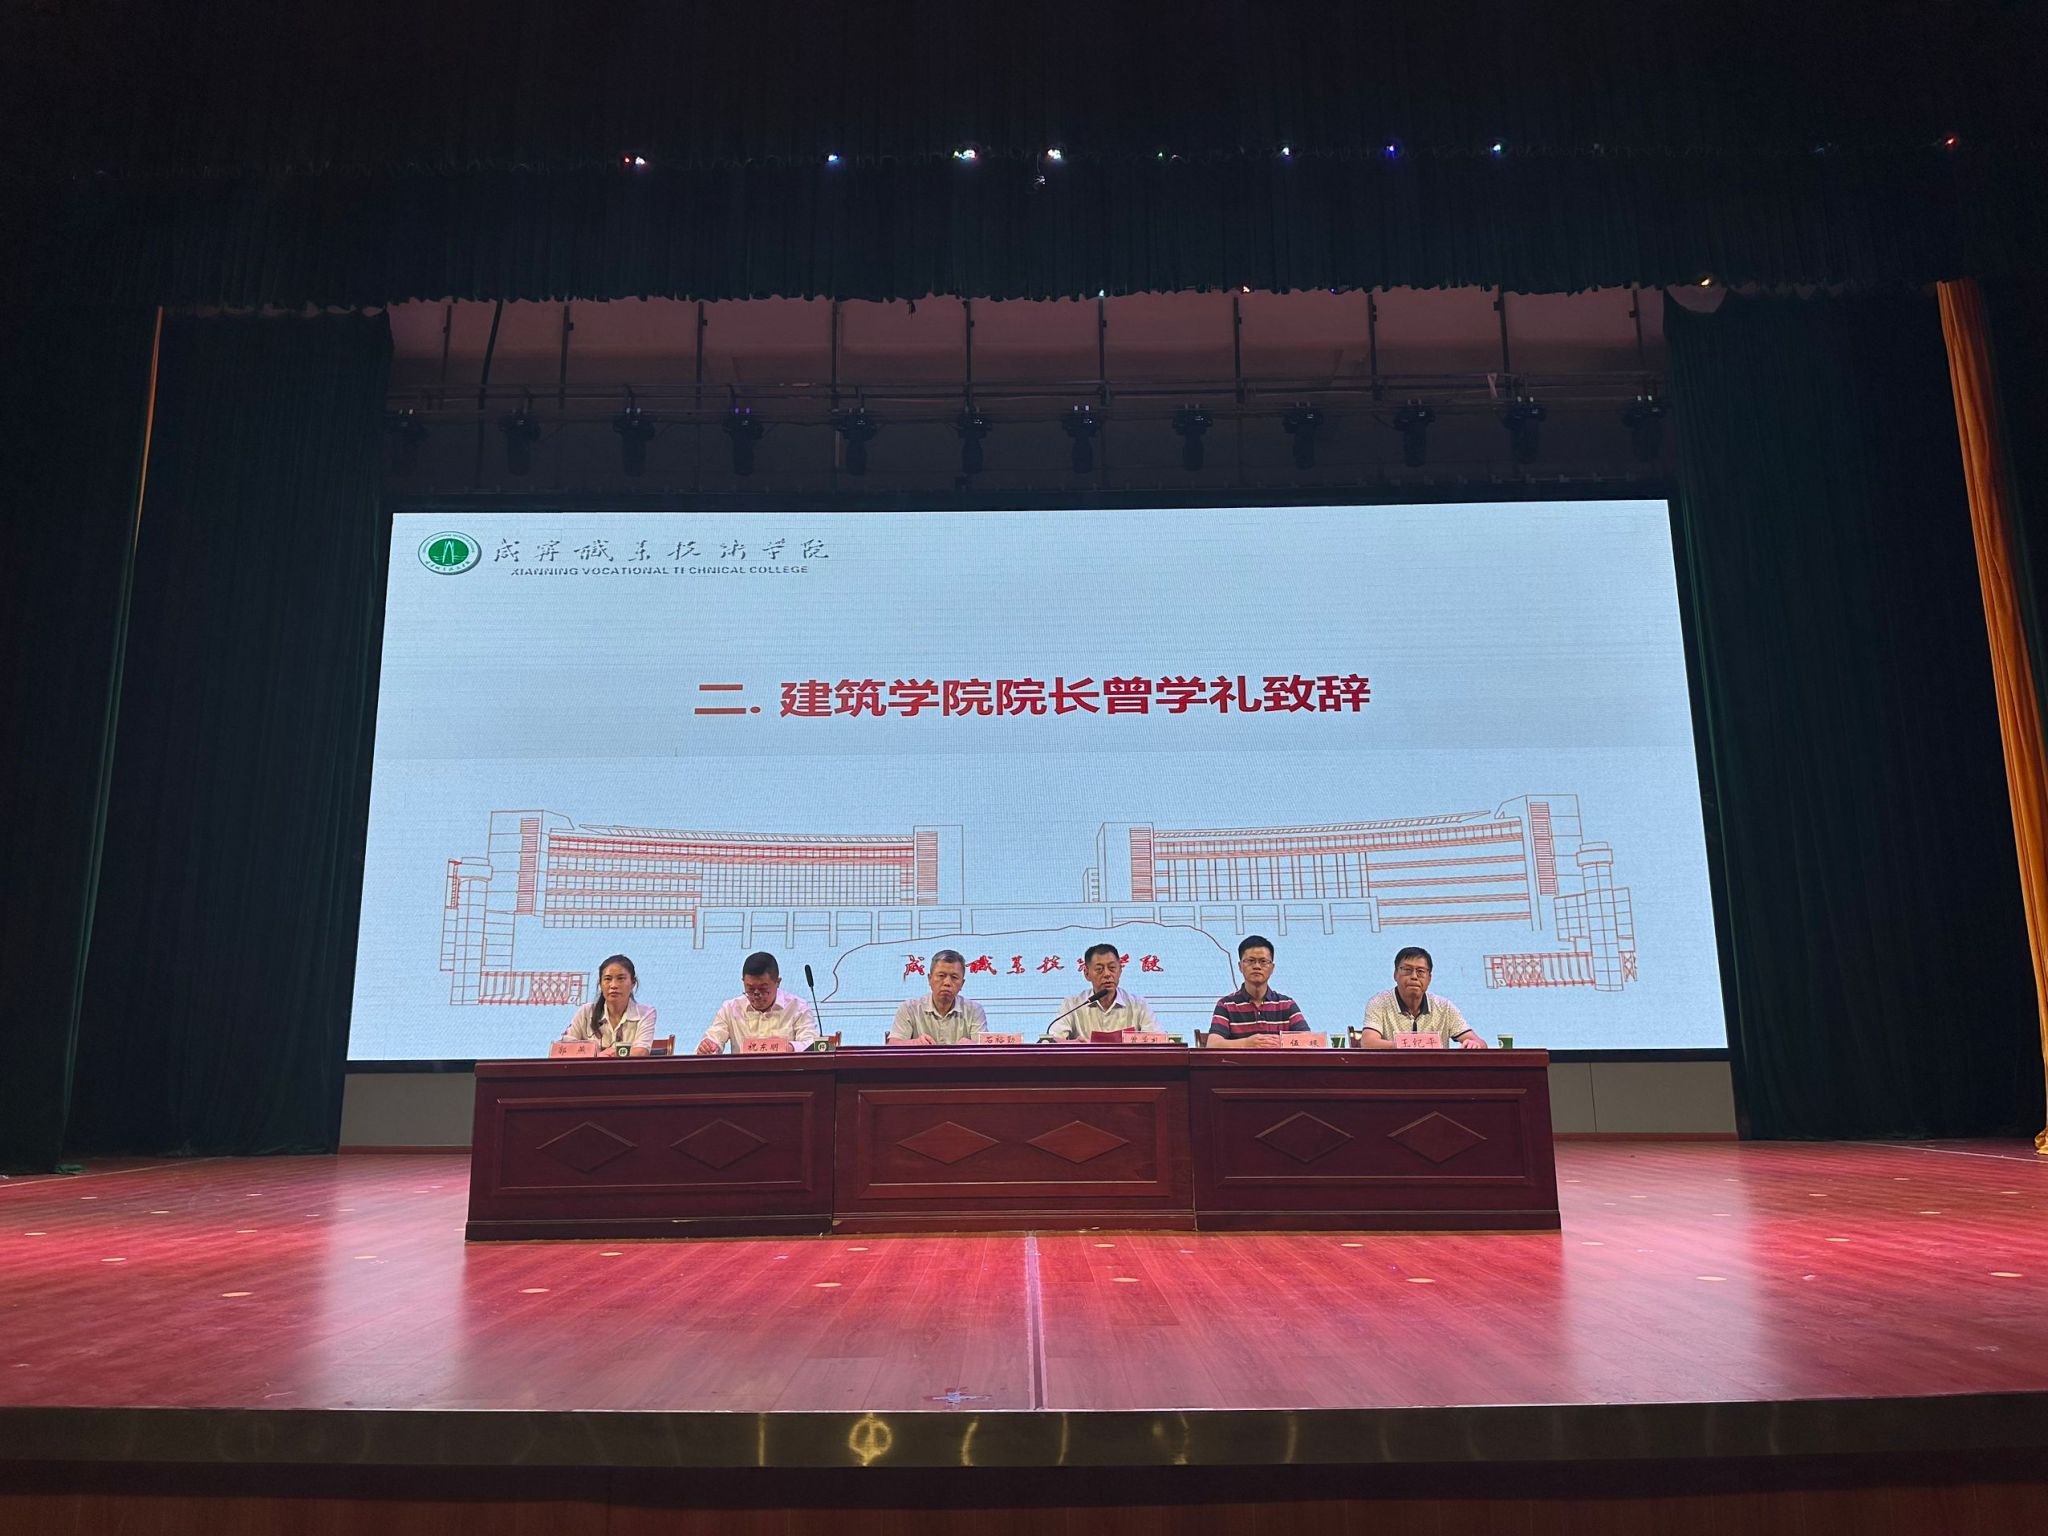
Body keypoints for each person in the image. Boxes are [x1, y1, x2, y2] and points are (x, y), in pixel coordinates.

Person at [1358, 947, 1486, 1049]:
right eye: (1407, 970)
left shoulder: (1444, 1007)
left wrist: (1474, 1044)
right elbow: (1368, 1043)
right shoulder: (1379, 1003)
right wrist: (1409, 1046)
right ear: (1395, 974)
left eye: (1420, 971)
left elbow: (1480, 1043)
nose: (1414, 976)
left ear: (1429, 978)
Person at [696, 951, 821, 1054]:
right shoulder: (730, 1008)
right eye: (750, 989)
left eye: (763, 989)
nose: (756, 995)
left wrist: (791, 1048)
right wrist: (709, 1046)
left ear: (777, 982)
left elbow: (814, 1044)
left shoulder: (798, 1007)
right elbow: (714, 1037)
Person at [1205, 935, 1309, 1048]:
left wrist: (1281, 1043)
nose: (1257, 966)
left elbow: (1309, 1041)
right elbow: (1212, 1044)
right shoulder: (1226, 1005)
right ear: (1240, 966)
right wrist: (1247, 1044)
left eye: (1263, 961)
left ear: (1272, 968)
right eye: (1250, 961)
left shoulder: (1287, 1004)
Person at [1047, 942, 1160, 1039]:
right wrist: (1074, 1045)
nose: (1107, 974)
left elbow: (1156, 1041)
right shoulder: (1072, 1005)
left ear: (1120, 970)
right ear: (1087, 974)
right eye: (1099, 969)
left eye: (1112, 968)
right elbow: (1053, 1041)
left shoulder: (1139, 1005)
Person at [560, 954, 660, 1054]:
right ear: (600, 984)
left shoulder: (645, 1013)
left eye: (621, 978)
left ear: (633, 983)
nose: (613, 985)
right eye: (608, 979)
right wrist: (598, 1057)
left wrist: (608, 1055)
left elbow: (641, 1052)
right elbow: (564, 1049)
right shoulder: (586, 1012)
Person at [889, 949, 988, 1044]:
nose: (947, 983)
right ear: (929, 979)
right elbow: (893, 1045)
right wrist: (915, 1043)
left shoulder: (974, 1010)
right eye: (941, 975)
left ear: (962, 983)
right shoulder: (909, 1008)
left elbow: (985, 1049)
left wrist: (973, 1045)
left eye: (954, 977)